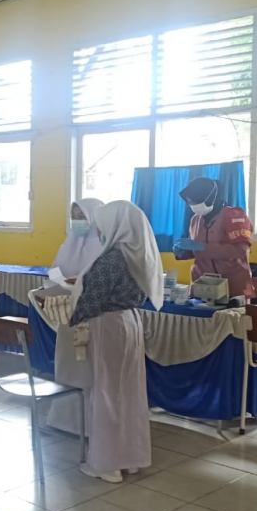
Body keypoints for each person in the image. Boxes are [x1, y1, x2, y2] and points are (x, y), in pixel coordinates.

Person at [64, 200, 162, 484]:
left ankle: (106, 464)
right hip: (130, 321)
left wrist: (71, 316)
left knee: (106, 392)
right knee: (129, 392)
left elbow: (91, 300)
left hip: (108, 324)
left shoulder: (111, 260)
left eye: (102, 225)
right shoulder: (139, 254)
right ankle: (130, 459)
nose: (99, 231)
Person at [174, 177, 255, 299]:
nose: (193, 205)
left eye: (196, 201)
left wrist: (202, 247)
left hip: (232, 288)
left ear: (211, 198)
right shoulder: (196, 220)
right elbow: (196, 251)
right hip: (203, 286)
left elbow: (240, 251)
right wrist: (183, 252)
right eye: (191, 202)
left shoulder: (234, 216)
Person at [52, 198, 104, 280]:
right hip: (61, 288)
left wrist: (78, 282)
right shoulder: (69, 242)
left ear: (95, 217)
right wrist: (59, 282)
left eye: (81, 216)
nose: (76, 221)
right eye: (73, 217)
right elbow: (54, 271)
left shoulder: (105, 246)